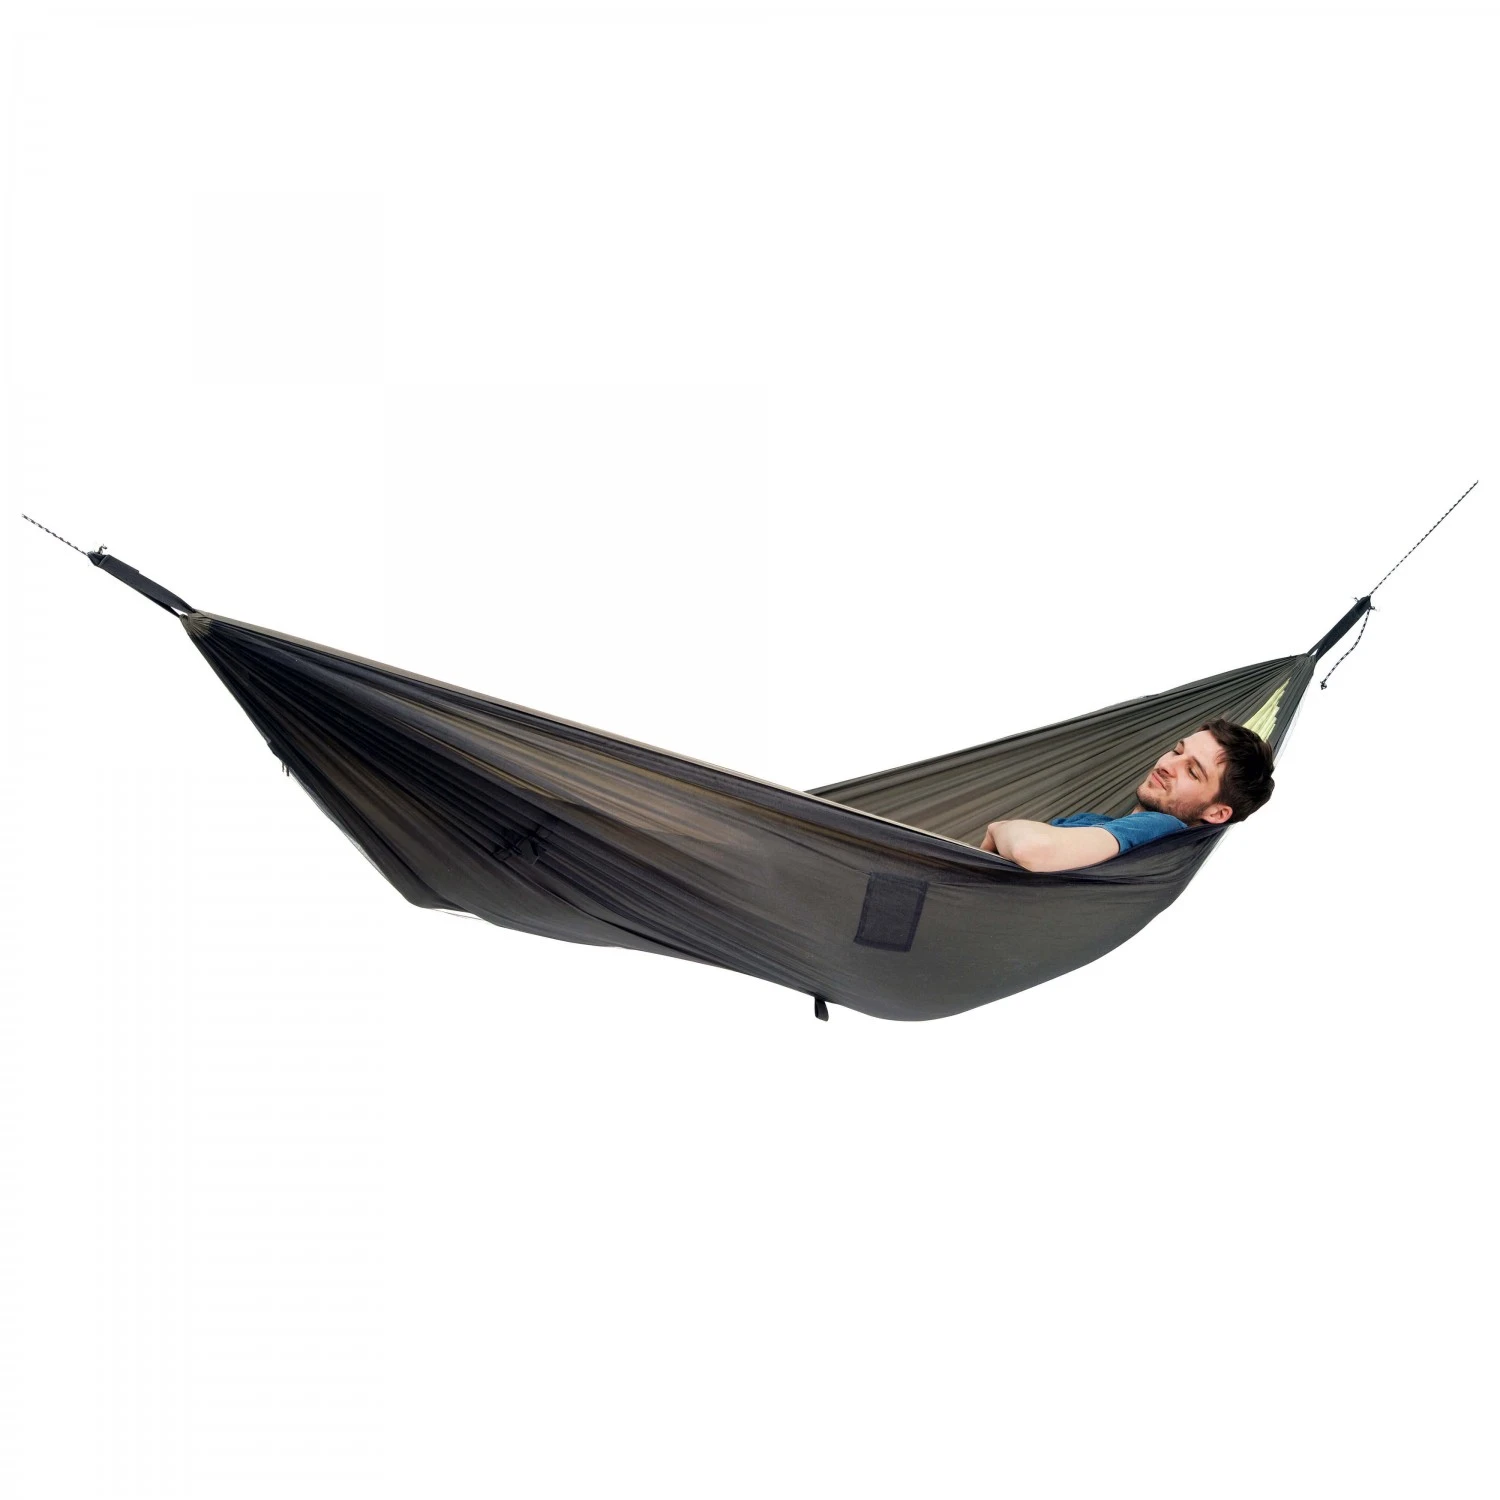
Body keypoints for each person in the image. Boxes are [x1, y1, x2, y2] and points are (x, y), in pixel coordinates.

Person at [979, 717, 1275, 872]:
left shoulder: (1162, 827)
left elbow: (1031, 849)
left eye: (1192, 771)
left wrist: (1000, 827)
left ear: (1217, 813)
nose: (1167, 765)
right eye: (1177, 751)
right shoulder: (1097, 823)